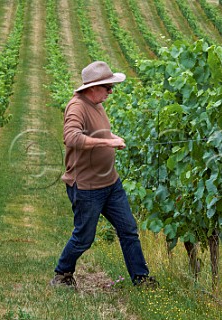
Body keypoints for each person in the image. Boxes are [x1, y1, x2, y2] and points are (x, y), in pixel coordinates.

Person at [50, 61, 158, 289]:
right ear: (93, 87)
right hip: (88, 187)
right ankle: (62, 274)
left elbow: (99, 132)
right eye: (108, 87)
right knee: (84, 238)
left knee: (128, 229)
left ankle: (141, 279)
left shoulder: (97, 103)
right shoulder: (77, 107)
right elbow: (72, 138)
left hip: (110, 182)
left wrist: (112, 137)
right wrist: (108, 141)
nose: (111, 91)